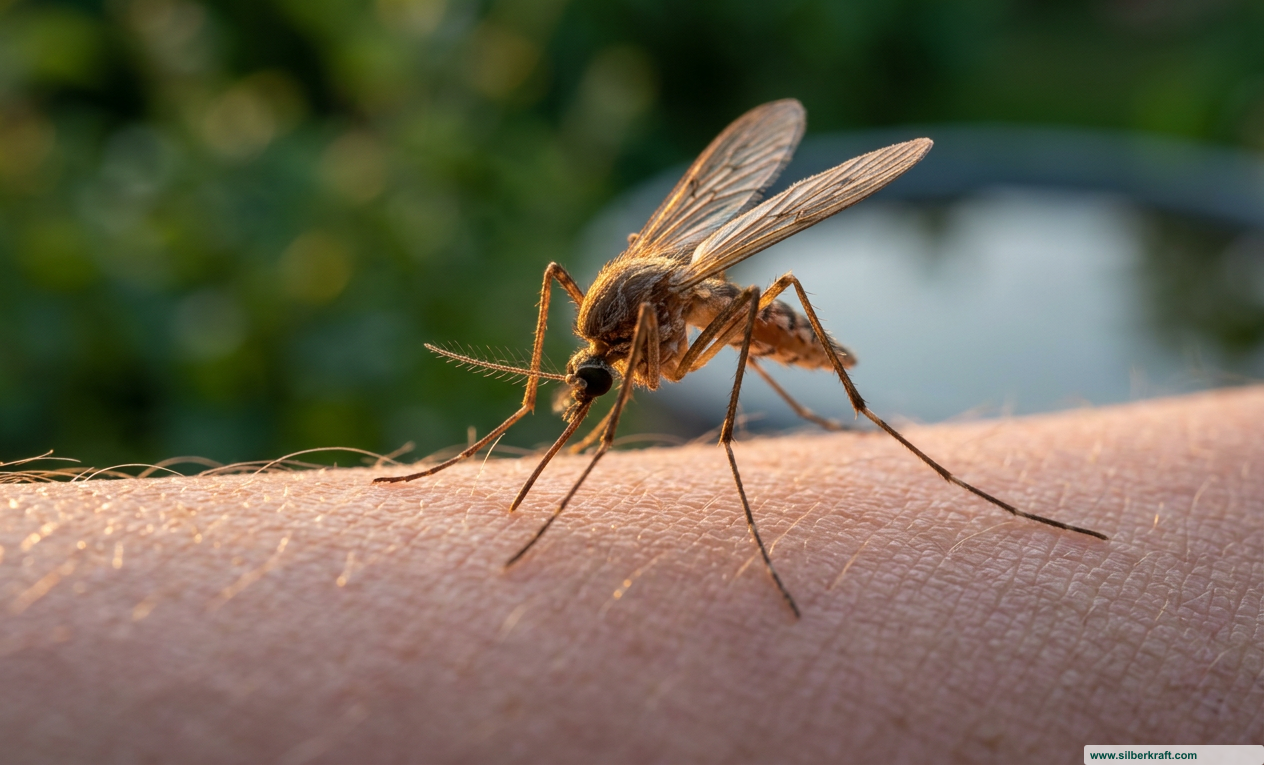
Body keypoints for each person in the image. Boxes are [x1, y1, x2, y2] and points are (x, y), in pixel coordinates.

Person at [2, 387, 1261, 762]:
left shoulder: (670, 336)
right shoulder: (601, 332)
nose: (581, 401)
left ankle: (942, 474)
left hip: (754, 310)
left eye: (575, 394)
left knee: (743, 347)